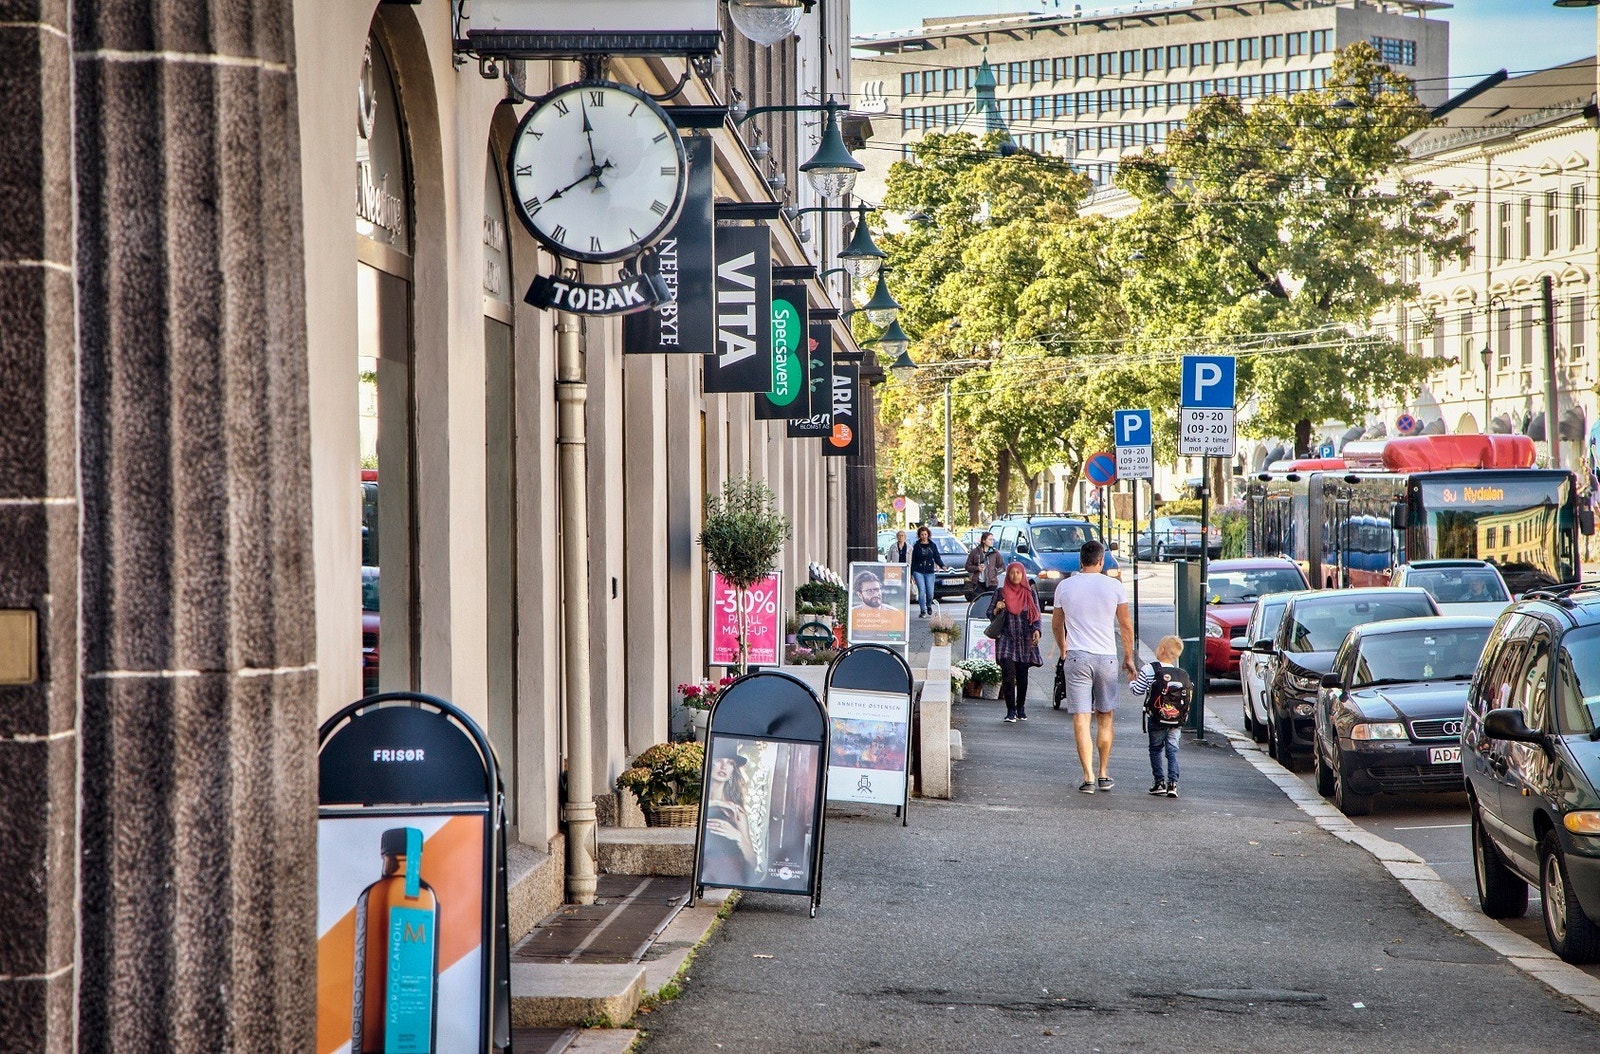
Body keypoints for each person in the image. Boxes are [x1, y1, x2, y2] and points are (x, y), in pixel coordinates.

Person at [1052, 539, 1136, 794]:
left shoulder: (1064, 587)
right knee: (1105, 716)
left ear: (1080, 560)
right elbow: (1125, 624)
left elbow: (1056, 623)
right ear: (1101, 561)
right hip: (1106, 657)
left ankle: (1087, 776)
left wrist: (1063, 647)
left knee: (1081, 717)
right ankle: (1103, 773)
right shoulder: (1114, 586)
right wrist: (1129, 657)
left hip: (1077, 656)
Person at [1131, 635, 1189, 798]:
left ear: (1161, 650)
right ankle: (1173, 784)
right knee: (1172, 750)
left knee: (1156, 749)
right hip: (1176, 720)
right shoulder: (1181, 674)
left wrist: (1131, 682)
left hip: (1156, 718)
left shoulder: (1150, 669)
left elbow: (1137, 691)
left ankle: (1159, 783)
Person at [992, 562, 1042, 723]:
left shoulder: (1030, 593)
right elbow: (990, 614)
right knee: (1008, 673)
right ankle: (1010, 711)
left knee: (1022, 675)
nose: (1015, 576)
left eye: (1018, 573)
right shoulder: (1000, 593)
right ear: (1008, 575)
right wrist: (997, 609)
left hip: (1024, 638)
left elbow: (1036, 615)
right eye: (1012, 573)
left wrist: (1037, 630)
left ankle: (1020, 708)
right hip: (1006, 638)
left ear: (1023, 575)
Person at [702, 749, 758, 885]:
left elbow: (753, 861)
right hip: (705, 874)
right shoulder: (695, 800)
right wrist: (716, 802)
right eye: (718, 761)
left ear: (733, 770)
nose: (724, 767)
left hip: (732, 876)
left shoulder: (736, 811)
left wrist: (737, 836)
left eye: (730, 763)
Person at [909, 526, 947, 618]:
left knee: (930, 592)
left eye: (925, 534)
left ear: (928, 534)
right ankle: (922, 610)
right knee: (922, 591)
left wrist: (942, 565)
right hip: (918, 571)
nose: (924, 536)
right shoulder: (916, 546)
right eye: (922, 534)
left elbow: (936, 557)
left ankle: (929, 605)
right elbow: (913, 560)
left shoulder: (932, 545)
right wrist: (911, 573)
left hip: (929, 571)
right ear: (919, 535)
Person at [964, 531, 1004, 601]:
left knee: (991, 601)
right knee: (980, 602)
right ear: (984, 541)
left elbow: (1002, 567)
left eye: (992, 539)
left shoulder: (995, 553)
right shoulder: (975, 552)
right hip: (978, 583)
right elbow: (967, 567)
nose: (992, 541)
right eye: (990, 539)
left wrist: (994, 572)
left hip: (992, 582)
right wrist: (977, 568)